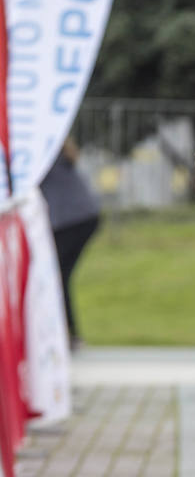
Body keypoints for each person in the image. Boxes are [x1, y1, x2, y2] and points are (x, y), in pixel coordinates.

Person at [40, 138, 102, 347]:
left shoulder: (42, 150)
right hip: (79, 217)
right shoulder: (53, 147)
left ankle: (68, 335)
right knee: (57, 275)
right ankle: (67, 334)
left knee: (56, 276)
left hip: (70, 220)